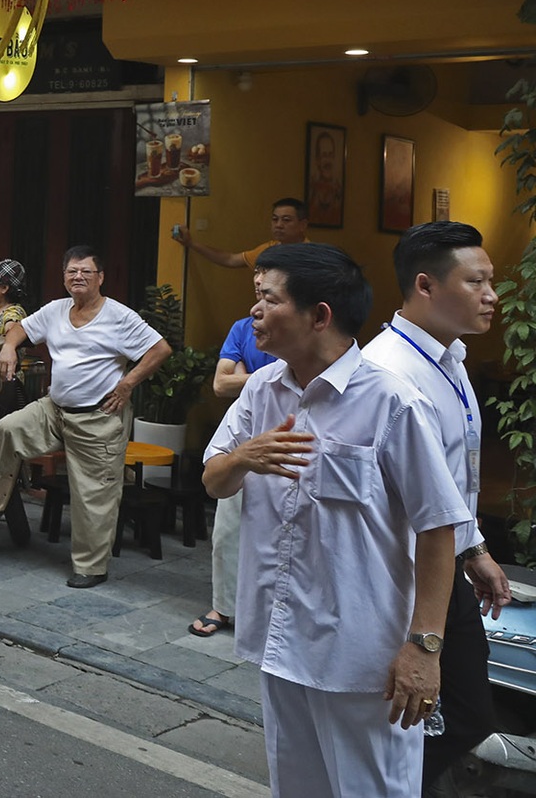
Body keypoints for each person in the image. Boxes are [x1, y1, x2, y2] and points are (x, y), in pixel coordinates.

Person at [204, 243, 467, 797]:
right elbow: (215, 478)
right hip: (281, 639)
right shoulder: (261, 388)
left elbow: (440, 527)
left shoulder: (392, 402)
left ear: (319, 315)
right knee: (296, 786)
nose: (253, 312)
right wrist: (244, 457)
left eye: (267, 299)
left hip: (361, 657)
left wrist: (424, 648)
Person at [362, 223, 515, 792]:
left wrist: (474, 547)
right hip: (410, 572)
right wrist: (423, 635)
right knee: (422, 713)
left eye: (490, 281)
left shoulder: (448, 358)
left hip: (448, 558)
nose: (492, 295)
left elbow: (447, 479)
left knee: (462, 714)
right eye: (476, 281)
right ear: (424, 285)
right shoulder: (390, 373)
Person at [0, 245, 170, 587]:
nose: (78, 277)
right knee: (8, 427)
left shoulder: (119, 316)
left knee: (93, 497)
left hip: (97, 417)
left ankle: (90, 568)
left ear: (100, 278)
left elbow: (160, 349)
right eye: (72, 272)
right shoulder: (56, 310)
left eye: (86, 272)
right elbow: (20, 329)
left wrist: (128, 383)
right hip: (54, 409)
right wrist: (10, 346)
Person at [189, 310, 277, 638]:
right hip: (244, 433)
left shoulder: (302, 336)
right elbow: (221, 384)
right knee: (227, 528)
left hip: (286, 437)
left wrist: (248, 374)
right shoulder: (243, 328)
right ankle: (223, 607)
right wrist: (258, 378)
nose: (260, 298)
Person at [174, 197, 309, 271]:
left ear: (302, 225)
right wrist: (191, 244)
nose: (279, 225)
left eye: (286, 220)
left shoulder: (312, 256)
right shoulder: (269, 250)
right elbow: (230, 259)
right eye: (275, 219)